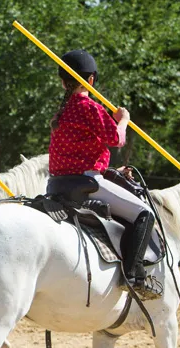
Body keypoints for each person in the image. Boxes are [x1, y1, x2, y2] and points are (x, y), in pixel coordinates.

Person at [47, 50, 160, 297]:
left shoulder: (61, 113)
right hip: (86, 182)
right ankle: (133, 275)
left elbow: (79, 152)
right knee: (144, 213)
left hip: (56, 185)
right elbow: (117, 139)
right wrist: (123, 120)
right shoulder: (89, 108)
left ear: (62, 81)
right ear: (90, 80)